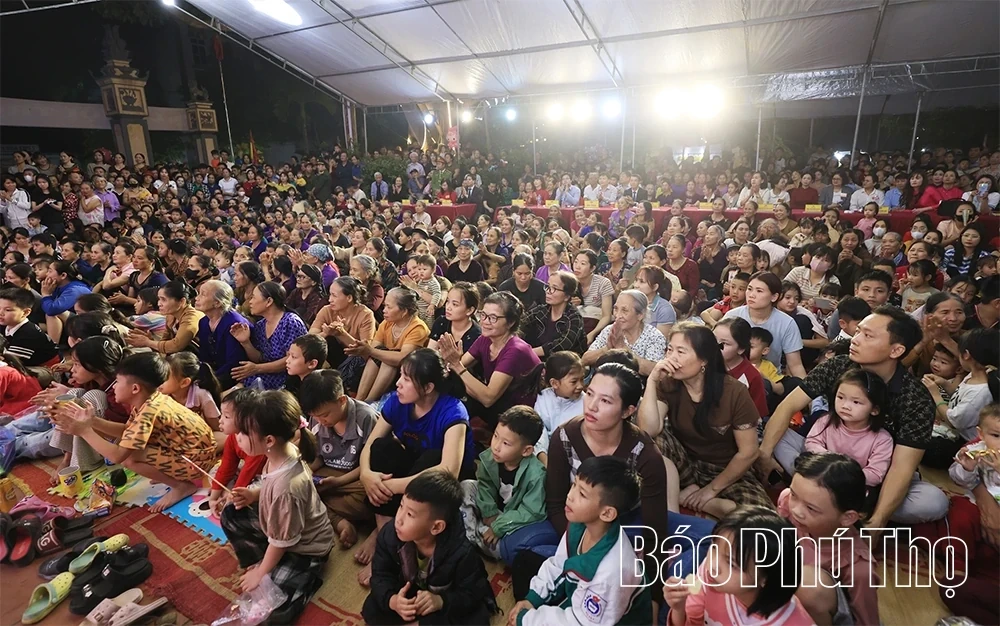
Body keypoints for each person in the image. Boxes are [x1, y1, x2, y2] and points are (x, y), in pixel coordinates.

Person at [761, 306, 950, 525]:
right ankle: (830, 501)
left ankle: (820, 498)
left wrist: (877, 522)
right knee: (773, 434)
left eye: (868, 336)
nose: (855, 340)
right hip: (823, 461)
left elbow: (902, 467)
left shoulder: (915, 397)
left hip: (872, 479)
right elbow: (788, 406)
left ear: (896, 350)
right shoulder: (838, 365)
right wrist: (764, 455)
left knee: (933, 502)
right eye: (858, 331)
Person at [49, 351, 216, 513]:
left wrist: (84, 431)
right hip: (193, 454)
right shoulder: (150, 400)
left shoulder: (148, 412)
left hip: (196, 463)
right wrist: (92, 421)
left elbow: (117, 456)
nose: (114, 387)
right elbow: (127, 431)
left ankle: (181, 486)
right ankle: (170, 476)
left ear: (135, 388)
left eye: (117, 382)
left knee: (130, 458)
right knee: (130, 449)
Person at [219, 390, 332, 625]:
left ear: (269, 440)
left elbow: (283, 541)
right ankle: (268, 563)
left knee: (273, 611)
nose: (237, 437)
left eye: (243, 433)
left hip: (305, 548)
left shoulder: (286, 488)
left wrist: (260, 573)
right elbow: (269, 485)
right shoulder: (282, 453)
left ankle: (302, 578)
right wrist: (253, 493)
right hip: (281, 527)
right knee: (231, 514)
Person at [639, 323, 771, 518]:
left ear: (704, 360)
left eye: (681, 352)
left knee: (761, 520)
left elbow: (748, 452)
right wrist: (652, 380)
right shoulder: (668, 383)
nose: (671, 358)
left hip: (724, 470)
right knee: (653, 440)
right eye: (670, 350)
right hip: (684, 463)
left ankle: (700, 501)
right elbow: (648, 429)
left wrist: (710, 490)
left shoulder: (734, 391)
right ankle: (674, 512)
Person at [509, 456, 651, 626]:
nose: (570, 496)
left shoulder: (611, 571)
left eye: (582, 494)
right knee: (523, 562)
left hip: (597, 621)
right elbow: (559, 564)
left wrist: (527, 619)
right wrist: (532, 599)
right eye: (574, 484)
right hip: (580, 599)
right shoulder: (581, 523)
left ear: (607, 513)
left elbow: (580, 623)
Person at [362, 470, 497, 625]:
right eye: (401, 506)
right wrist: (394, 601)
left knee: (477, 618)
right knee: (372, 608)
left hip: (444, 598)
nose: (399, 519)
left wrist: (440, 601)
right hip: (412, 591)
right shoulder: (390, 534)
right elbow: (380, 574)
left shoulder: (462, 553)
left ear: (436, 527)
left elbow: (472, 593)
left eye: (410, 514)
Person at [662, 506, 816, 626]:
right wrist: (679, 608)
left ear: (766, 577)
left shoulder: (793, 622)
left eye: (731, 563)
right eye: (714, 547)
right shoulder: (710, 579)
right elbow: (693, 622)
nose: (713, 565)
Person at [777, 452, 880, 625]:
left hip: (821, 613)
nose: (796, 511)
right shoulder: (788, 501)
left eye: (811, 508)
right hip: (783, 597)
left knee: (808, 585)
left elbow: (866, 620)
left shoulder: (858, 566)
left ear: (847, 517)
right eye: (794, 495)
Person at [301, 369, 377, 548]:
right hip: (329, 472)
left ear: (342, 400)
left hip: (358, 476)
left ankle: (327, 513)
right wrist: (306, 472)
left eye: (325, 415)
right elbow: (319, 457)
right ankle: (340, 521)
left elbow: (372, 464)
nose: (320, 421)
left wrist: (339, 482)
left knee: (370, 499)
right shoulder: (317, 418)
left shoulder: (366, 417)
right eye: (315, 416)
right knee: (299, 488)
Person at [440, 292, 542, 426]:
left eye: (493, 318)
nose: (485, 322)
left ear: (510, 322)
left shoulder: (516, 350)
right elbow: (459, 366)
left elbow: (488, 398)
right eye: (483, 315)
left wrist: (456, 365)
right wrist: (449, 362)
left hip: (520, 415)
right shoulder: (485, 338)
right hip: (498, 403)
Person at [462, 407, 548, 565]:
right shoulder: (491, 457)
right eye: (495, 436)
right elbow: (485, 486)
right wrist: (489, 511)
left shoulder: (536, 475)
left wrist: (499, 526)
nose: (496, 446)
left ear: (526, 450)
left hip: (510, 519)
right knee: (466, 486)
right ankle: (471, 539)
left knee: (507, 545)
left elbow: (531, 511)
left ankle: (481, 539)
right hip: (493, 512)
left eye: (506, 443)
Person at [944, 404, 1000, 626]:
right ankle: (958, 566)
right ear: (981, 434)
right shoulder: (976, 450)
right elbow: (958, 479)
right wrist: (966, 468)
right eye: (996, 436)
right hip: (978, 506)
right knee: (961, 513)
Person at [348, 287, 429, 403]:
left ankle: (369, 401)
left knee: (389, 359)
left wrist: (370, 351)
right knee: (379, 354)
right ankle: (359, 399)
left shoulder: (418, 328)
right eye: (385, 306)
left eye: (389, 307)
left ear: (404, 311)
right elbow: (374, 350)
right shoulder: (387, 323)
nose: (384, 310)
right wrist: (364, 350)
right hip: (381, 371)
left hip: (408, 373)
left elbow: (403, 358)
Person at [723, 272, 807, 378]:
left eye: (759, 291)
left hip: (769, 378)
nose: (751, 295)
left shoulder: (787, 323)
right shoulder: (732, 316)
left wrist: (805, 387)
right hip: (731, 375)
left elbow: (795, 365)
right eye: (749, 289)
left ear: (774, 297)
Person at [923, 327, 998, 446]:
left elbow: (953, 422)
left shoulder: (979, 391)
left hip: (962, 441)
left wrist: (935, 394)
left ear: (966, 355)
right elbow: (958, 395)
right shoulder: (977, 374)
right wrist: (944, 383)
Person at [229, 282, 308, 390]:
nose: (250, 302)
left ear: (269, 301)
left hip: (288, 379)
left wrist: (257, 368)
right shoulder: (261, 325)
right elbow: (260, 358)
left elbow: (291, 359)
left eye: (253, 297)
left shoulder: (290, 322)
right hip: (265, 375)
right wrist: (245, 342)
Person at [209, 389, 267, 516]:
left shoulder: (256, 443)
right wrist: (213, 499)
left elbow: (247, 474)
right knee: (214, 472)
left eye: (226, 417)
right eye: (222, 415)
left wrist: (231, 498)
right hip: (246, 470)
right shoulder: (232, 437)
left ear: (245, 419)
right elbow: (227, 466)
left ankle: (227, 495)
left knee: (257, 491)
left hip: (262, 475)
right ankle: (225, 494)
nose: (220, 420)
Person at [583, 289, 666, 375]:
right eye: (616, 309)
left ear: (640, 315)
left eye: (624, 310)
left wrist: (623, 349)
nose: (617, 315)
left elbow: (655, 371)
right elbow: (585, 360)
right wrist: (607, 349)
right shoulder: (610, 330)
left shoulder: (654, 336)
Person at [127, 281, 204, 355]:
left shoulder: (191, 318)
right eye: (159, 299)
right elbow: (165, 341)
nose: (159, 304)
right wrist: (151, 340)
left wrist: (148, 342)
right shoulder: (171, 315)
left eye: (163, 299)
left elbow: (176, 346)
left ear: (182, 302)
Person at [521, 271, 587, 358]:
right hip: (538, 358)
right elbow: (521, 323)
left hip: (564, 362)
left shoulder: (574, 318)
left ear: (567, 296)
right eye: (548, 286)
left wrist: (529, 352)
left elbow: (563, 344)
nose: (548, 292)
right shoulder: (541, 310)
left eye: (554, 288)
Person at [714, 318, 769, 419]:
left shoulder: (752, 376)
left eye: (724, 343)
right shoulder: (701, 363)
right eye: (712, 339)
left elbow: (757, 414)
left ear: (741, 348)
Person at [161, 351, 222, 432]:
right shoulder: (160, 394)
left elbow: (216, 426)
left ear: (184, 382)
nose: (159, 380)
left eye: (165, 377)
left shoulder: (201, 394)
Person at [0, 287, 58, 367]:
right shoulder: (6, 323)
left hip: (46, 368)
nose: (1, 313)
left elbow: (9, 364)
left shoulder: (27, 335)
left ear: (25, 312)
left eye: (8, 310)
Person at [39, 260, 91, 344]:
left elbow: (52, 310)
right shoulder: (57, 286)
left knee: (53, 314)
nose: (47, 274)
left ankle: (52, 347)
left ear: (63, 275)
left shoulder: (75, 290)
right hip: (72, 322)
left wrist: (46, 294)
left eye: (50, 271)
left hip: (87, 323)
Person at [633, 265, 677, 337]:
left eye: (642, 281)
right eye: (636, 280)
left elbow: (660, 340)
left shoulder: (665, 309)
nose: (636, 285)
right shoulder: (630, 301)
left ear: (655, 287)